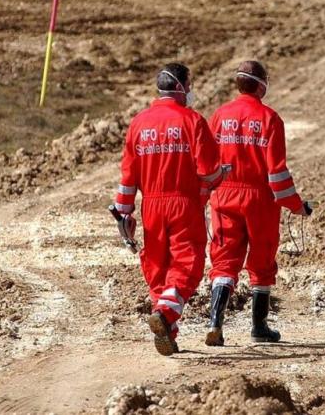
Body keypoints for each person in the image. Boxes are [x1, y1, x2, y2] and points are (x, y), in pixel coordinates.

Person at [114, 62, 224, 356]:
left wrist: (124, 213)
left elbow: (128, 176)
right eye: (189, 85)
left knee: (158, 267)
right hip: (184, 203)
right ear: (179, 87)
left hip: (150, 206)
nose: (191, 91)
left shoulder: (138, 123)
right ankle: (164, 314)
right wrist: (220, 176)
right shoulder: (192, 121)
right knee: (187, 265)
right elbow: (209, 170)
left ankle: (168, 332)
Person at [205, 60, 311, 346]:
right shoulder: (270, 119)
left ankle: (215, 322)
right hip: (259, 200)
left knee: (224, 259)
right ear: (262, 84)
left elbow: (207, 163)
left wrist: (206, 195)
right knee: (262, 261)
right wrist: (296, 205)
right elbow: (277, 173)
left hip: (223, 196)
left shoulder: (219, 116)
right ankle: (259, 326)